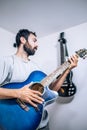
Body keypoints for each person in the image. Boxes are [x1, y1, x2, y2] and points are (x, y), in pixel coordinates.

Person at [0, 29, 78, 130]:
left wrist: (67, 69)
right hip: (16, 122)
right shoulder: (6, 61)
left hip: (42, 122)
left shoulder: (36, 68)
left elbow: (52, 90)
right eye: (34, 40)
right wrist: (19, 93)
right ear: (23, 40)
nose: (37, 45)